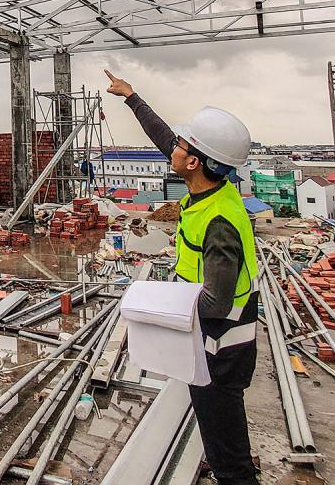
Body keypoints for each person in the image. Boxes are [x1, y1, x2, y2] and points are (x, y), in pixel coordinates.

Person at [104, 70, 260, 485]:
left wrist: (154, 304)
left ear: (193, 162)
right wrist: (131, 96)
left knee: (226, 438)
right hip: (211, 338)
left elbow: (217, 302)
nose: (171, 147)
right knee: (215, 422)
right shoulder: (209, 188)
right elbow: (163, 137)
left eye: (180, 145)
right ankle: (222, 458)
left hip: (222, 343)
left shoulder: (220, 221)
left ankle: (233, 473)